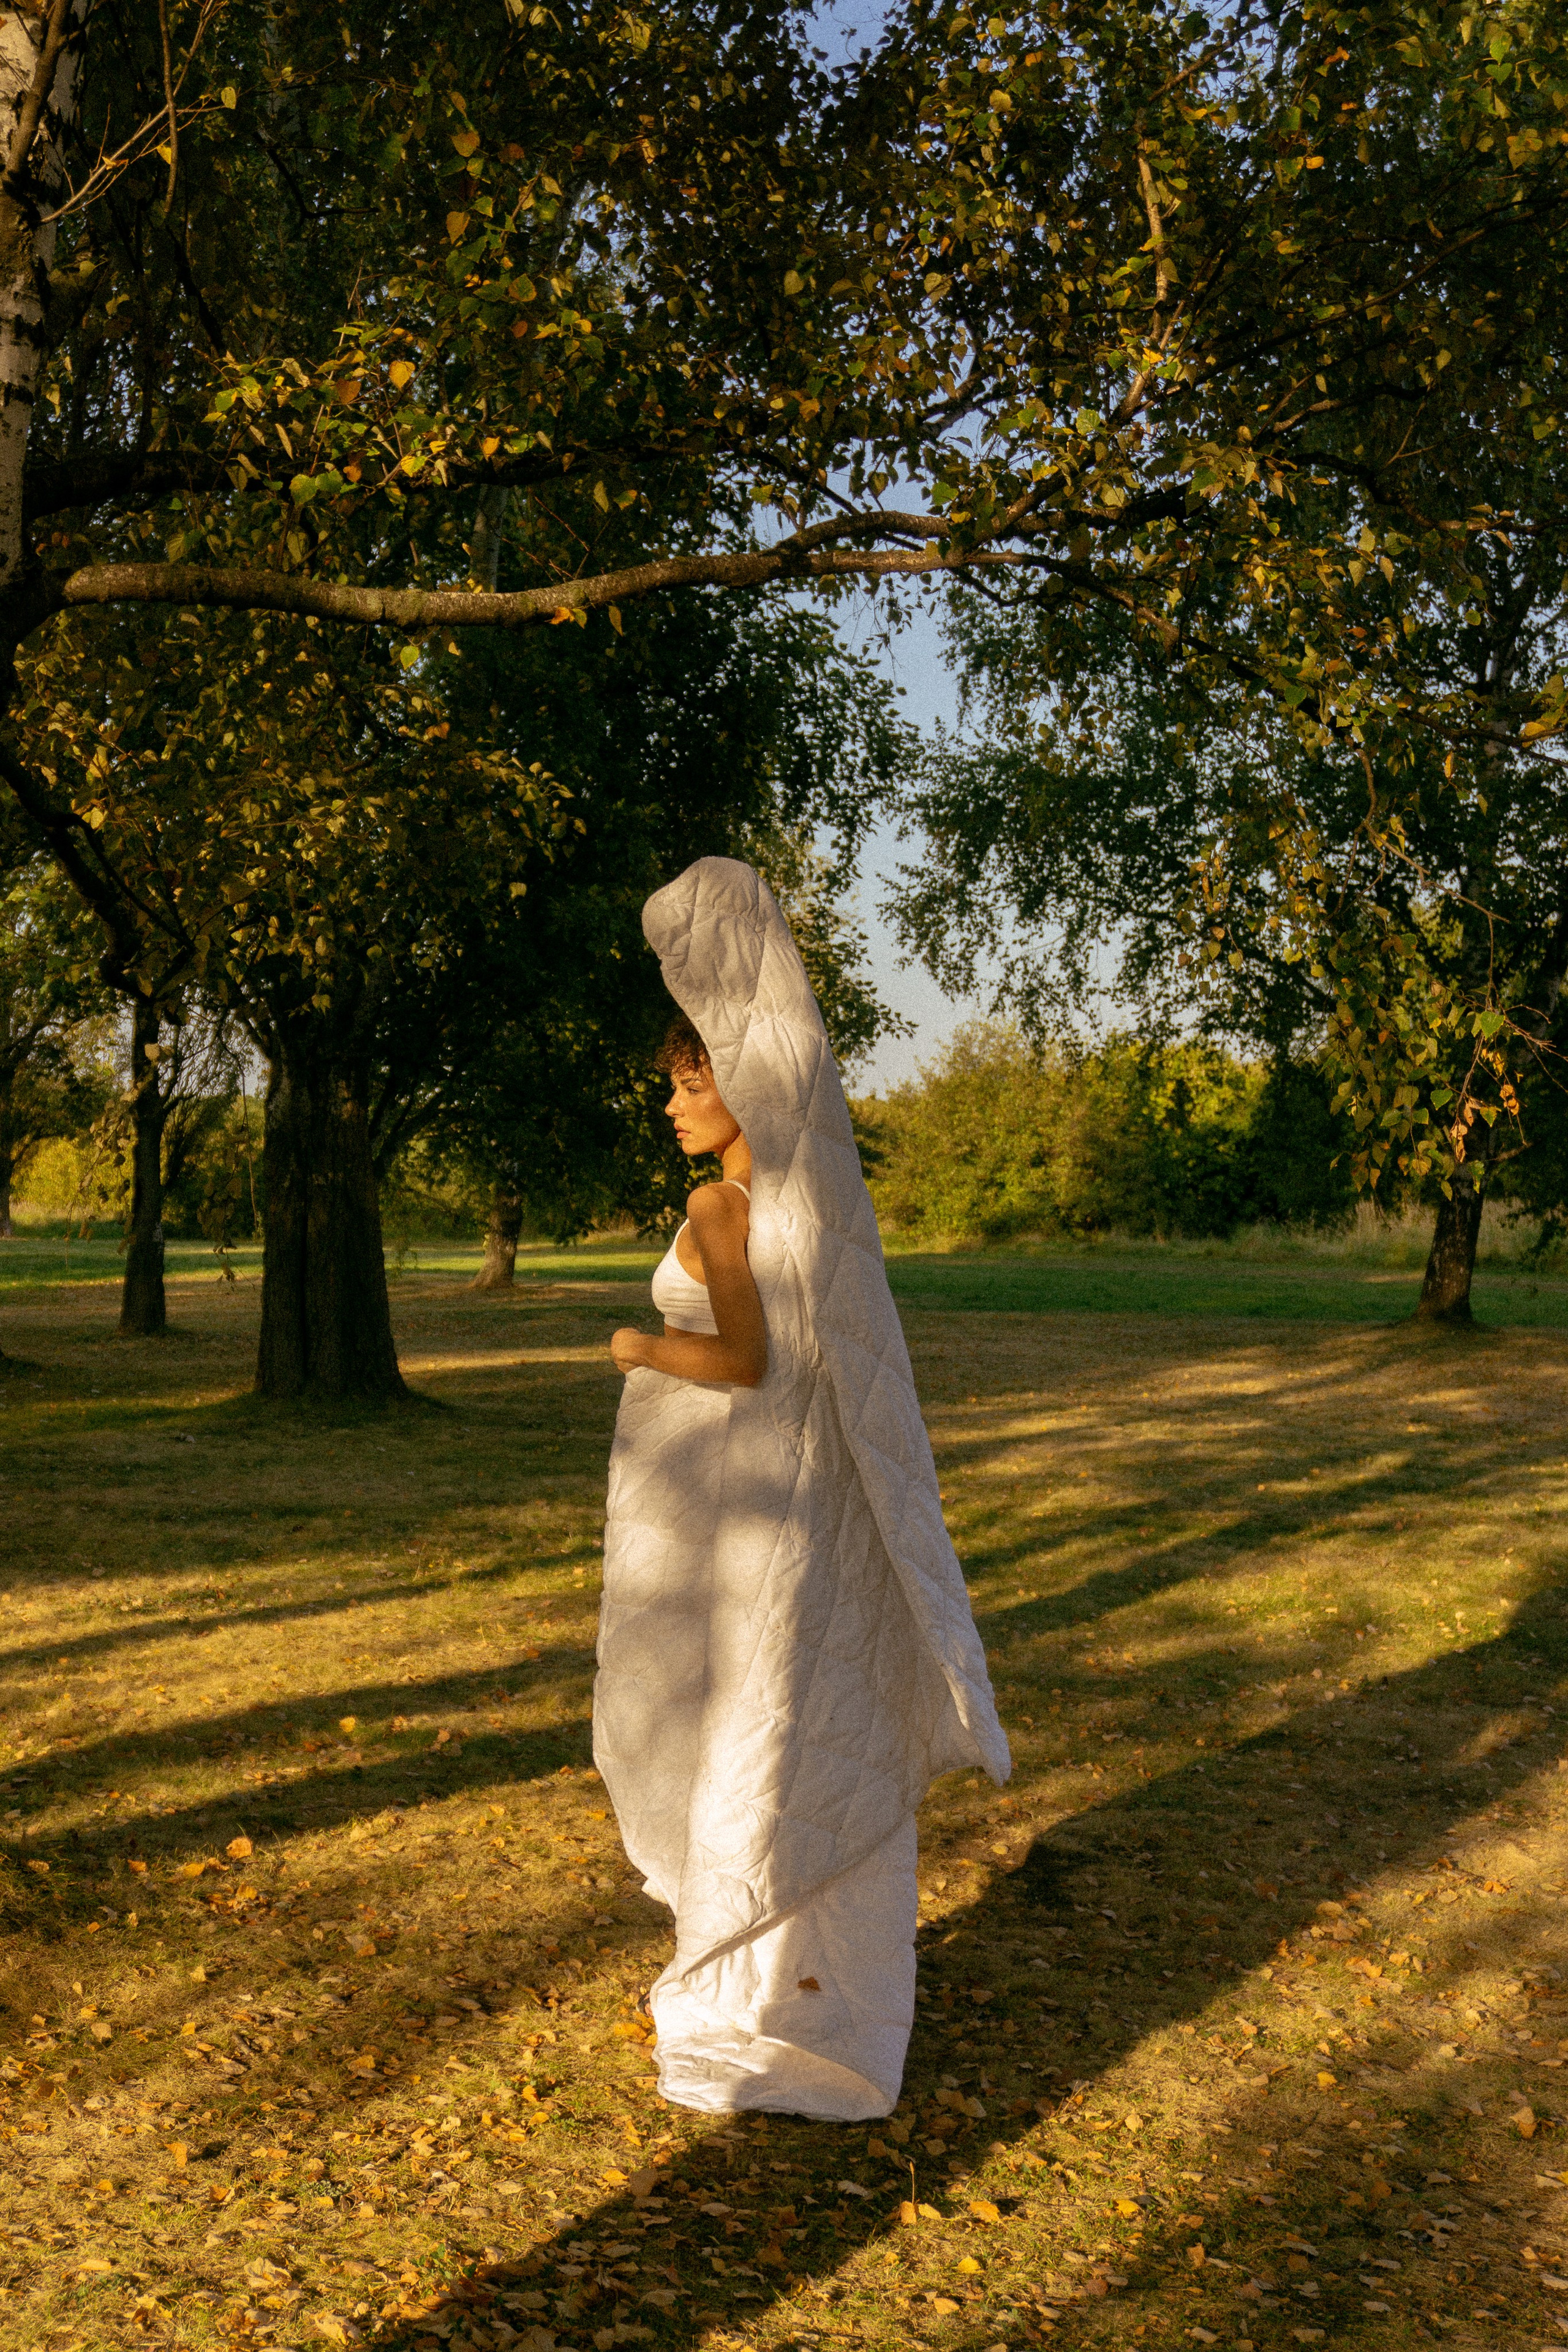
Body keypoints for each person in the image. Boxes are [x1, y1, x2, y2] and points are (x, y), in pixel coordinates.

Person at [594, 856, 1008, 2122]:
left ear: (741, 1079)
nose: (676, 1104)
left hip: (734, 1512)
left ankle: (748, 1982)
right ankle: (800, 1977)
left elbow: (741, 1361)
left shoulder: (721, 1207)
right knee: (770, 1719)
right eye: (672, 1084)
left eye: (695, 1081)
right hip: (748, 1502)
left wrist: (635, 1346)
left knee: (731, 1719)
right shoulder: (798, 1202)